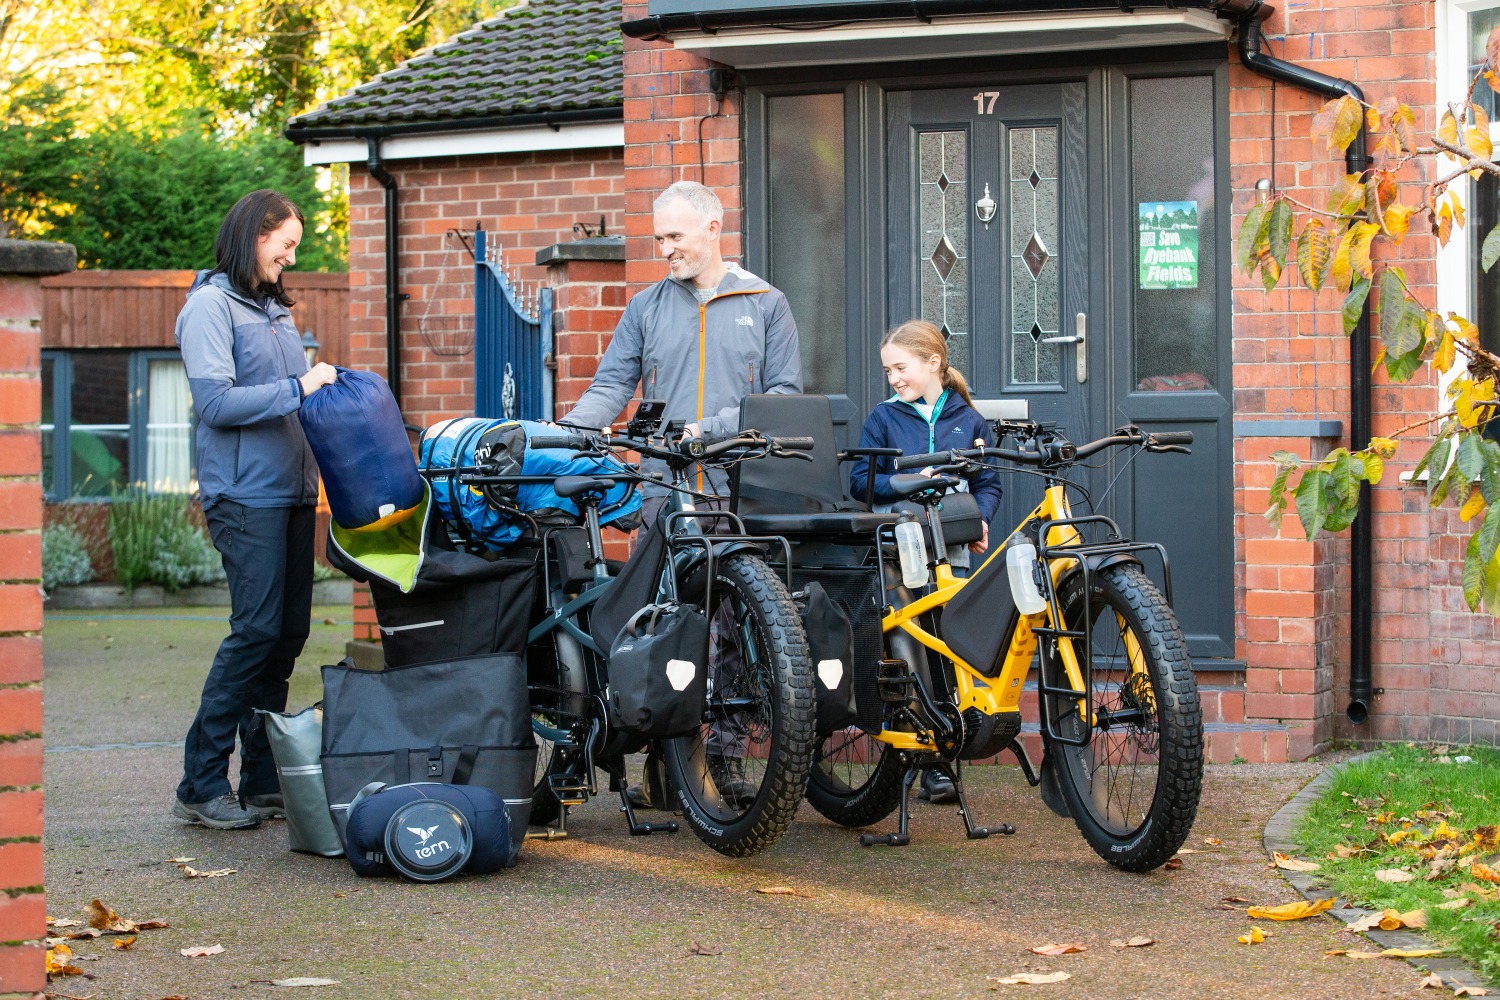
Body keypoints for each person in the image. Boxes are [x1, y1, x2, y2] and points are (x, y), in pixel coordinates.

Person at [563, 180, 802, 807]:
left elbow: (783, 396)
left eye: (674, 235)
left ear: (711, 229)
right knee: (658, 625)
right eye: (659, 236)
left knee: (730, 625)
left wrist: (715, 430)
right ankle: (661, 761)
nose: (664, 247)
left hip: (733, 489)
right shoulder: (647, 306)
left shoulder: (767, 302)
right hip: (662, 491)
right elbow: (611, 385)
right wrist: (565, 435)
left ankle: (724, 758)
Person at [172, 190, 339, 830]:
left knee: (286, 635)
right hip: (244, 496)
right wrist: (301, 385)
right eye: (285, 244)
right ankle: (200, 782)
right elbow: (216, 403)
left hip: (291, 493)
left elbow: (287, 403)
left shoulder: (271, 309)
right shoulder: (209, 307)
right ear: (253, 235)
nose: (290, 258)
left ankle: (264, 781)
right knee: (255, 634)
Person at [847, 319, 1002, 804]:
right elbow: (859, 481)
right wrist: (902, 485)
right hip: (898, 549)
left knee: (948, 646)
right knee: (905, 646)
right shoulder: (884, 418)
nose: (893, 378)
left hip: (950, 551)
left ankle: (942, 759)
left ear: (933, 362)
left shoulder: (969, 420)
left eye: (900, 367)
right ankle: (912, 754)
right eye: (888, 370)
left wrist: (981, 520)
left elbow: (988, 484)